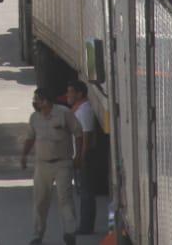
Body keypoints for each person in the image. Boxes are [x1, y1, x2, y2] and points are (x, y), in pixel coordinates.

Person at [22, 86, 82, 245]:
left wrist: (78, 156)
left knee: (65, 200)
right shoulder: (34, 118)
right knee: (40, 201)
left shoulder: (64, 114)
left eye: (37, 100)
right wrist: (24, 155)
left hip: (62, 164)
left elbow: (79, 134)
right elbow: (30, 138)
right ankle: (37, 235)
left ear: (46, 101)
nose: (34, 102)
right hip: (42, 165)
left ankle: (69, 233)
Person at [65, 81, 97, 236]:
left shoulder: (84, 110)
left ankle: (86, 226)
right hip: (81, 155)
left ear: (80, 94)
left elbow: (87, 135)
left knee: (86, 192)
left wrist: (81, 157)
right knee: (83, 191)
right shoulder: (78, 108)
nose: (68, 95)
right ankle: (85, 224)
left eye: (71, 92)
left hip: (86, 156)